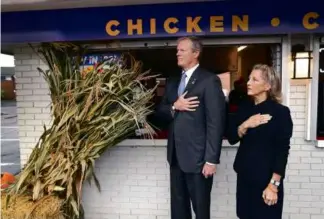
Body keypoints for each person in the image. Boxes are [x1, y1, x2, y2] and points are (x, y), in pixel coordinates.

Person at [156, 36, 226, 219]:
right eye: (177, 50)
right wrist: (174, 106)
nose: (177, 53)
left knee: (201, 210)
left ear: (195, 53)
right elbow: (159, 113)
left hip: (199, 160)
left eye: (182, 50)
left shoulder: (209, 81)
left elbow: (215, 122)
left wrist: (211, 159)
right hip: (176, 157)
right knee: (178, 210)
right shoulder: (172, 81)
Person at [226, 64, 293, 219]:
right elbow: (231, 138)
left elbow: (282, 151)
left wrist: (274, 186)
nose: (248, 82)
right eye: (249, 78)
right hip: (244, 178)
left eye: (254, 80)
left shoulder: (280, 113)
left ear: (267, 86)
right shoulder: (244, 108)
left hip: (266, 182)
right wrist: (245, 124)